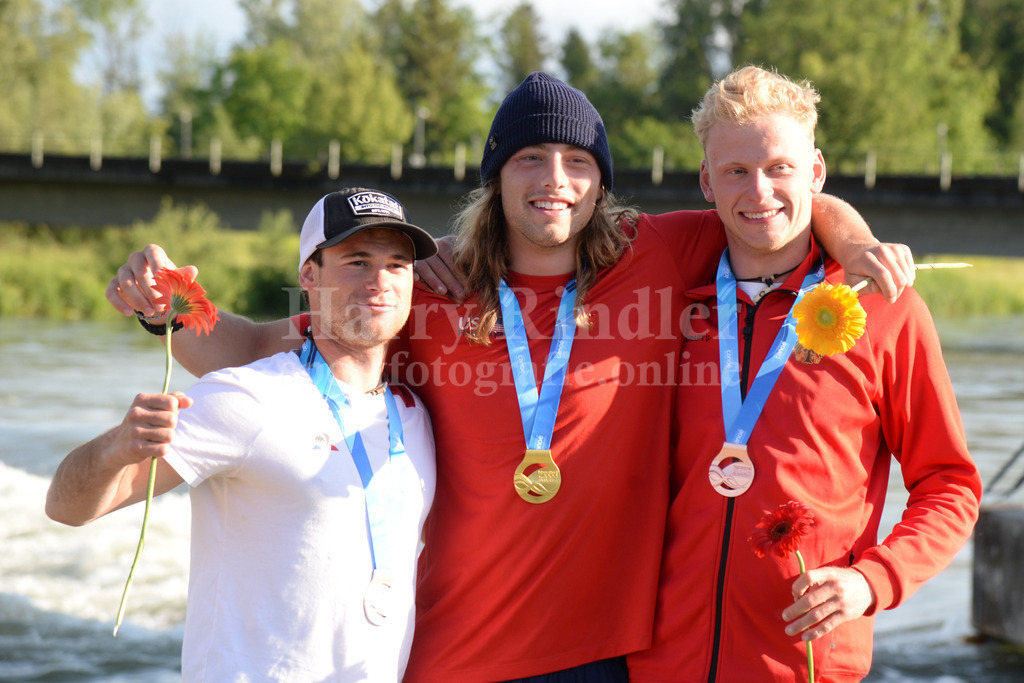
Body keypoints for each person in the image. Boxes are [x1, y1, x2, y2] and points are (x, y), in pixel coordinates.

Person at [103, 73, 916, 681]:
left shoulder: (658, 256)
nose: (554, 179)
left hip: (607, 656)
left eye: (575, 160)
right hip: (453, 653)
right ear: (498, 175)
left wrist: (853, 241)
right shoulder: (425, 294)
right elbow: (254, 344)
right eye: (530, 158)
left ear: (600, 181)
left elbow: (777, 200)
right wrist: (165, 310)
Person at [625, 66, 982, 681]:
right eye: (736, 172)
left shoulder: (885, 310)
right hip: (661, 661)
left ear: (815, 172)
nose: (759, 192)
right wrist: (436, 255)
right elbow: (547, 240)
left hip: (805, 663)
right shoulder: (662, 288)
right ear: (707, 181)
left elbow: (950, 484)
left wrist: (873, 581)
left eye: (778, 168)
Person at [46, 188, 439, 681]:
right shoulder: (248, 397)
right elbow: (65, 507)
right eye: (357, 261)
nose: (379, 281)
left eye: (397, 264)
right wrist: (112, 450)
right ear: (309, 277)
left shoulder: (416, 417)